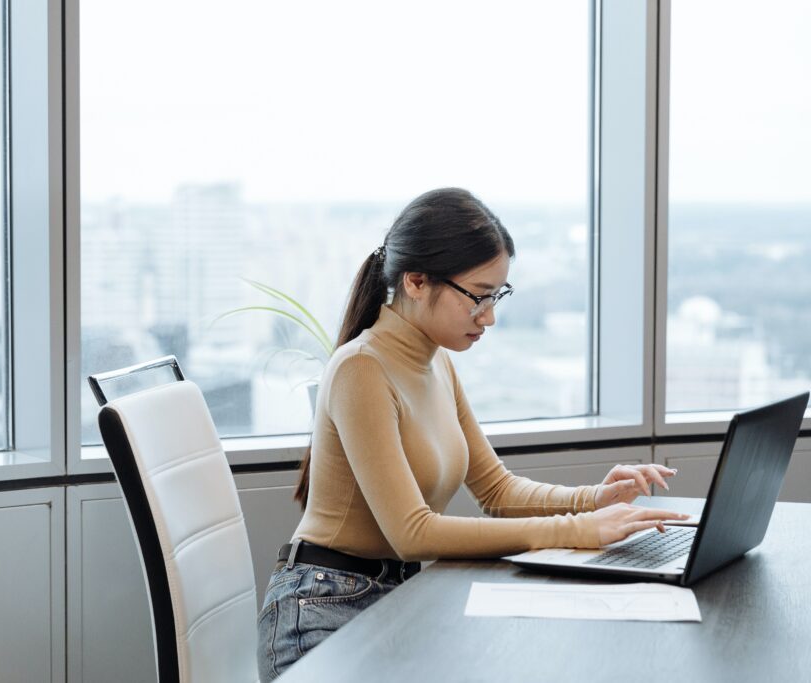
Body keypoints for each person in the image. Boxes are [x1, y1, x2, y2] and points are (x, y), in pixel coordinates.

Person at [255, 188, 688, 681]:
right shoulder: (362, 369)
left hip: (392, 600)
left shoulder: (435, 360)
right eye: (478, 297)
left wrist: (594, 498)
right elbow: (412, 531)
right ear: (416, 281)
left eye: (497, 296)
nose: (490, 317)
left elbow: (498, 491)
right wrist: (573, 531)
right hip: (321, 609)